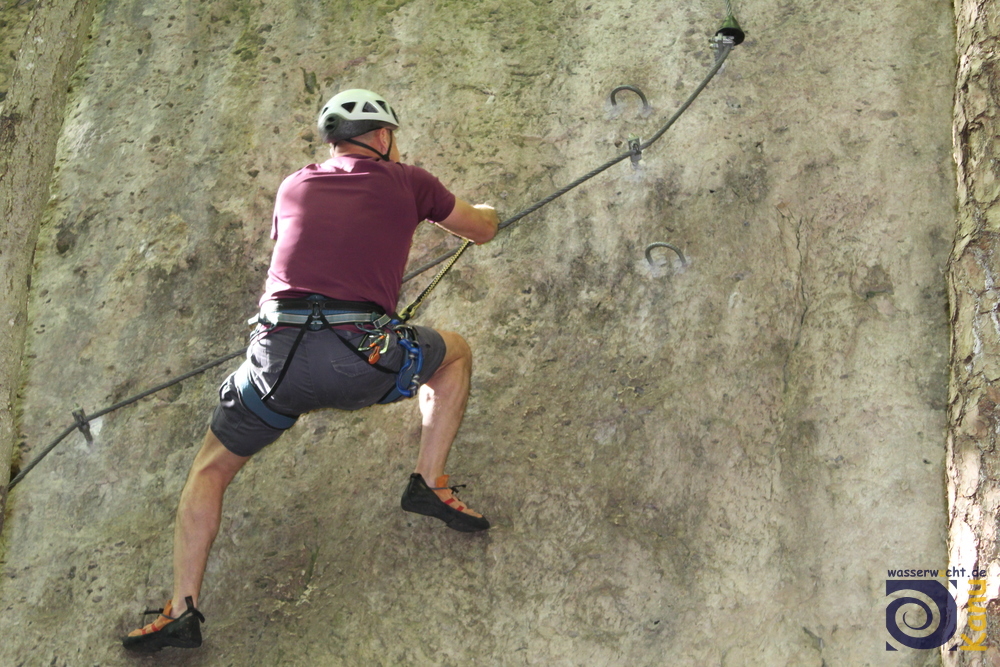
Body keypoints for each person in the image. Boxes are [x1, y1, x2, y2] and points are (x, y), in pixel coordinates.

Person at [122, 89, 499, 652]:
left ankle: (182, 608)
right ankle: (429, 482)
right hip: (360, 359)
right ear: (382, 136)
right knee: (456, 352)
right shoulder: (409, 181)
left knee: (208, 470)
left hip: (276, 365)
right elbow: (480, 228)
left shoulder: (293, 184)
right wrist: (490, 211)